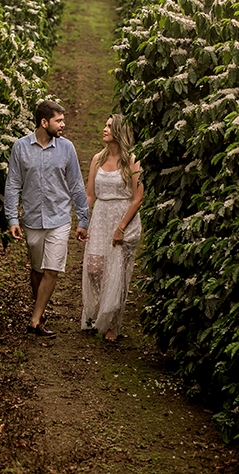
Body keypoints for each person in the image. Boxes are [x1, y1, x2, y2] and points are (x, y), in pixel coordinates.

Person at [5, 100, 89, 337]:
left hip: (59, 218)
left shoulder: (67, 148)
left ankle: (34, 320)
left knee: (52, 269)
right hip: (32, 218)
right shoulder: (20, 148)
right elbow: (12, 185)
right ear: (44, 122)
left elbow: (76, 185)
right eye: (58, 120)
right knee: (37, 270)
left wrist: (83, 219)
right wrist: (12, 218)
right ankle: (40, 312)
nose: (63, 125)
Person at [81, 114, 143, 342]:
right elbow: (90, 194)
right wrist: (82, 221)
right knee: (94, 268)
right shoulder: (97, 159)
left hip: (123, 218)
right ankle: (100, 310)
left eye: (109, 126)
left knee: (118, 272)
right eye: (105, 124)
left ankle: (113, 324)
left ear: (119, 131)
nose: (104, 129)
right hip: (100, 218)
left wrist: (121, 228)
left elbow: (138, 198)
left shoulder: (133, 161)